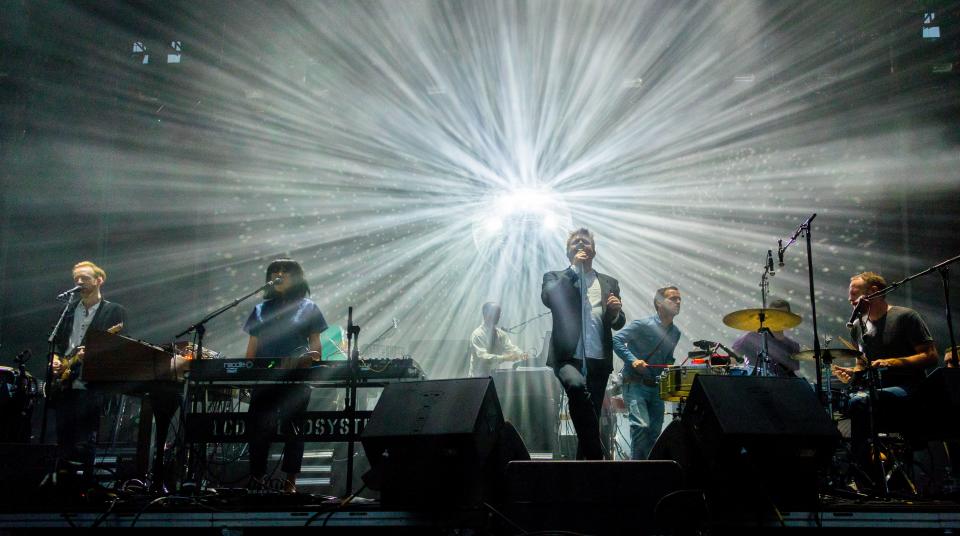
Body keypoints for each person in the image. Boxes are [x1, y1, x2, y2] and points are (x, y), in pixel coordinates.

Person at [833, 272, 938, 476]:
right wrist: (852, 374)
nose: (850, 299)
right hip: (877, 389)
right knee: (843, 401)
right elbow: (862, 365)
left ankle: (860, 472)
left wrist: (892, 362)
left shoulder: (905, 316)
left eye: (855, 294)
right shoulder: (856, 327)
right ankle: (868, 471)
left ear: (874, 292)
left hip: (910, 388)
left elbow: (930, 356)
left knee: (859, 402)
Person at [243, 259, 327, 493]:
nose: (279, 274)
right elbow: (251, 349)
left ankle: (290, 483)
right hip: (264, 379)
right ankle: (257, 480)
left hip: (296, 379)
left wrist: (304, 359)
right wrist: (246, 373)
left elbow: (316, 349)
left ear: (297, 277)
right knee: (258, 429)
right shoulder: (260, 309)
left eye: (285, 272)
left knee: (294, 430)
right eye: (275, 272)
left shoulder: (309, 307)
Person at [541, 228, 624, 460]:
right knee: (576, 388)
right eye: (575, 242)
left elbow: (617, 322)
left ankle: (584, 472)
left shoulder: (609, 282)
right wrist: (572, 273)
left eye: (585, 242)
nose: (580, 244)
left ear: (593, 250)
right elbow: (549, 299)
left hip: (600, 359)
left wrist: (616, 313)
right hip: (567, 357)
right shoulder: (555, 277)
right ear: (568, 252)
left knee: (590, 418)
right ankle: (597, 459)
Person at [51, 261, 128, 475]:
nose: (79, 282)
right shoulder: (67, 311)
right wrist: (55, 360)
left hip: (91, 382)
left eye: (84, 278)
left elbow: (120, 346)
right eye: (76, 278)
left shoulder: (114, 311)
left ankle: (83, 487)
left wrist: (94, 352)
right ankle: (62, 484)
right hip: (64, 382)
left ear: (99, 280)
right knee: (63, 438)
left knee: (85, 439)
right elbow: (57, 344)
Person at [613, 287, 682, 460]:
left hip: (656, 388)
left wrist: (670, 366)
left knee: (654, 432)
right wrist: (633, 360)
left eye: (679, 299)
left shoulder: (675, 333)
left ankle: (649, 470)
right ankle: (637, 470)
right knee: (641, 426)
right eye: (673, 299)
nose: (678, 302)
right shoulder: (642, 324)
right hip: (635, 384)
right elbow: (616, 340)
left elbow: (667, 358)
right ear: (659, 303)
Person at [730, 298, 800, 377]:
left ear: (789, 318)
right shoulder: (752, 337)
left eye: (782, 315)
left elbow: (791, 376)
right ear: (768, 317)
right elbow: (733, 360)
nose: (778, 319)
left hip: (780, 387)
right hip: (753, 386)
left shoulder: (793, 346)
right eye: (775, 315)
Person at [469, 302, 527, 377]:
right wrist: (505, 358)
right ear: (485, 315)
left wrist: (521, 354)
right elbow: (483, 357)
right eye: (496, 313)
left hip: (494, 377)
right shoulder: (477, 334)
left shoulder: (501, 334)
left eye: (498, 314)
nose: (498, 317)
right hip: (478, 379)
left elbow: (510, 347)